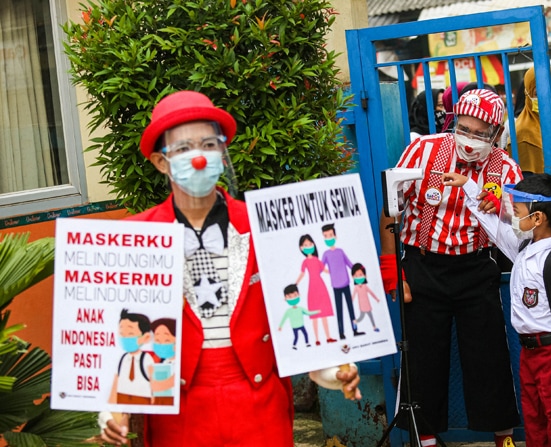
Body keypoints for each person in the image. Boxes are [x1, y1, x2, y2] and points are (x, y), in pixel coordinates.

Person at [99, 90, 361, 446]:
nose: (198, 158)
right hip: (179, 413)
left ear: (222, 152)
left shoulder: (264, 224)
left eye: (208, 144)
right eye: (183, 148)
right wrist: (116, 410)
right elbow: (124, 334)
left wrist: (335, 368)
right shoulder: (138, 237)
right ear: (162, 162)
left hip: (259, 406)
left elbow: (300, 313)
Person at [379, 89, 521, 447]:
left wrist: (503, 206)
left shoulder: (506, 169)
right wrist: (390, 267)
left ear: (497, 133)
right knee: (423, 359)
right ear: (452, 122)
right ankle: (425, 439)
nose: (470, 139)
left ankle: (503, 439)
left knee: (489, 358)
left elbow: (521, 227)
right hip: (424, 267)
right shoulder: (422, 151)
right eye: (463, 128)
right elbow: (390, 208)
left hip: (476, 270)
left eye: (480, 133)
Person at [441, 172, 551, 446]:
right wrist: (469, 187)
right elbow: (494, 228)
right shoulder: (523, 250)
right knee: (535, 423)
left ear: (537, 219)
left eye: (517, 211)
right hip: (529, 354)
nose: (511, 216)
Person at [295, 234, 337, 345]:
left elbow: (326, 270)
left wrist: (337, 272)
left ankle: (328, 337)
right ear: (301, 248)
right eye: (305, 245)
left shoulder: (317, 260)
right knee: (314, 315)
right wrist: (295, 284)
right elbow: (302, 274)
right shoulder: (305, 262)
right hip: (312, 287)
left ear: (313, 244)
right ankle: (317, 339)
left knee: (324, 315)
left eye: (310, 244)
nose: (308, 246)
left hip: (321, 286)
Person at [108, 309, 155, 405]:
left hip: (142, 403)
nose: (125, 338)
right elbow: (115, 386)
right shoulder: (122, 359)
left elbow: (155, 386)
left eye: (130, 334)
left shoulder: (146, 359)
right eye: (122, 334)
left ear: (145, 337)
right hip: (122, 400)